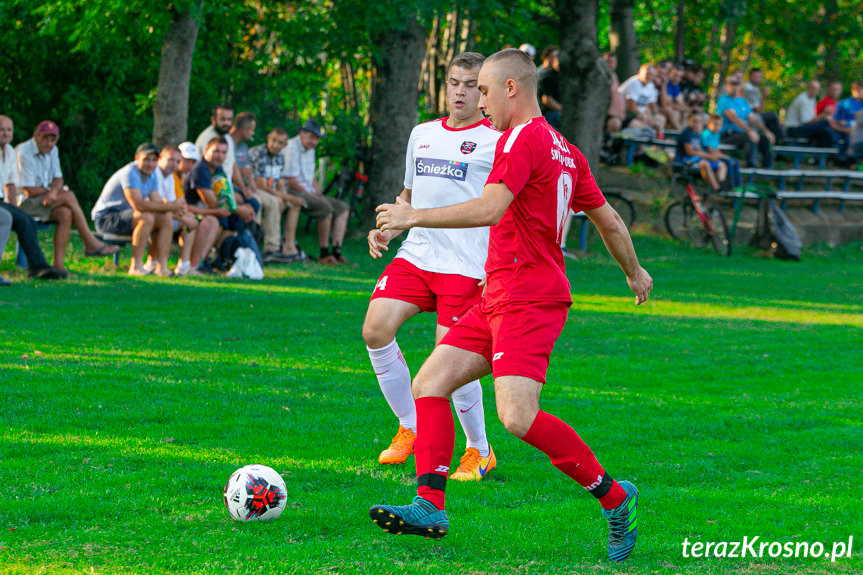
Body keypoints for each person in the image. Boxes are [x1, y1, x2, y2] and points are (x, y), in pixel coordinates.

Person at [369, 48, 652, 563]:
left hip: (530, 297)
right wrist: (634, 270)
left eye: (483, 91)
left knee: (517, 418)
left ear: (511, 89)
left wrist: (416, 218)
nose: (478, 100)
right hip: (496, 292)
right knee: (430, 383)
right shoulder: (567, 149)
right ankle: (429, 503)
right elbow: (608, 220)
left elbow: (492, 206)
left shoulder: (522, 138)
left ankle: (616, 498)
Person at [363, 52, 501, 481]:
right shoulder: (421, 133)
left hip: (466, 264)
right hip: (419, 254)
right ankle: (410, 426)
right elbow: (409, 196)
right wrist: (388, 227)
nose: (460, 91)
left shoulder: (498, 140)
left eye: (471, 84)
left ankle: (479, 449)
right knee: (375, 329)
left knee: (450, 363)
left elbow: (499, 207)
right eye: (454, 82)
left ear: (484, 92)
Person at [16, 120, 118, 277]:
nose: (49, 144)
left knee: (65, 213)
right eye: (45, 138)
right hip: (22, 204)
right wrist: (52, 192)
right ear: (35, 136)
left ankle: (59, 266)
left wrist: (53, 192)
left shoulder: (53, 150)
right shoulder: (24, 152)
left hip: (44, 199)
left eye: (52, 140)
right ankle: (90, 242)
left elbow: (58, 179)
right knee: (69, 196)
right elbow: (29, 190)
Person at [91, 143, 184, 276]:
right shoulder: (130, 172)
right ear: (136, 158)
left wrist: (180, 214)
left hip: (128, 217)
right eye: (146, 159)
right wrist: (172, 206)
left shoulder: (152, 175)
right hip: (106, 218)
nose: (150, 164)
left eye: (153, 160)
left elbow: (157, 203)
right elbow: (138, 205)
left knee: (165, 219)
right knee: (146, 216)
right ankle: (135, 266)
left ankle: (161, 267)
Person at [0, 115, 62, 280]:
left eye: (8, 130)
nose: (5, 133)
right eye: (1, 130)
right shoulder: (22, 151)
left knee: (26, 221)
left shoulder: (10, 151)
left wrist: (15, 210)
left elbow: (10, 184)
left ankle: (38, 267)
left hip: (2, 201)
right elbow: (26, 188)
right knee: (5, 217)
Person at [283, 120, 350, 264]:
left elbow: (311, 177)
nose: (314, 142)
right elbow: (291, 181)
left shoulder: (311, 150)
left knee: (343, 208)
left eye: (316, 138)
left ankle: (336, 252)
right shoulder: (291, 148)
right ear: (302, 134)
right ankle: (324, 253)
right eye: (312, 137)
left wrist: (319, 194)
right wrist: (314, 196)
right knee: (325, 209)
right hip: (292, 191)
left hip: (308, 191)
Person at [249, 128, 306, 263]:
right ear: (268, 138)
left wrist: (285, 198)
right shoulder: (259, 153)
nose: (275, 145)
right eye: (274, 140)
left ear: (285, 145)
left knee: (293, 205)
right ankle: (268, 246)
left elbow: (280, 183)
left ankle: (288, 246)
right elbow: (260, 185)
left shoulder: (280, 157)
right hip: (255, 190)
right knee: (275, 202)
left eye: (280, 143)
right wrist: (285, 198)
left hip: (271, 193)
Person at [183, 137, 236, 274]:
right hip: (188, 212)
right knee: (210, 221)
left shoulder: (217, 168)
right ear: (206, 150)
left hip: (203, 212)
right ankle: (195, 264)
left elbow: (226, 193)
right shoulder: (200, 169)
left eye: (223, 153)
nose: (220, 156)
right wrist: (232, 207)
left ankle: (204, 261)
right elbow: (211, 202)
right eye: (216, 151)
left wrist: (237, 205)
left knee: (234, 220)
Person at [152, 144, 199, 274]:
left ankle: (184, 265)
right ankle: (157, 264)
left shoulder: (171, 177)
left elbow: (174, 204)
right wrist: (183, 217)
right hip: (151, 214)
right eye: (171, 160)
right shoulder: (155, 173)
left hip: (160, 213)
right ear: (161, 158)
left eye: (177, 161)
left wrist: (185, 216)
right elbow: (159, 205)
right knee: (168, 219)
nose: (175, 164)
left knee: (190, 221)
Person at [716, 77, 774, 168]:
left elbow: (753, 118)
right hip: (726, 134)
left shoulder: (742, 101)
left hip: (740, 133)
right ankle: (751, 167)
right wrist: (750, 131)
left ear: (740, 86)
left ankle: (767, 169)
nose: (734, 87)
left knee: (765, 138)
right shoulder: (723, 100)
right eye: (732, 84)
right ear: (727, 86)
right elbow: (734, 118)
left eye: (737, 84)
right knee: (750, 137)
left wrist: (766, 131)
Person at [676, 112, 725, 191]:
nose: (697, 124)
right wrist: (708, 156)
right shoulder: (686, 133)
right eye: (694, 121)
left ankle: (720, 184)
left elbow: (699, 150)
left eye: (699, 122)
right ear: (688, 121)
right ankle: (716, 188)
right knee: (705, 164)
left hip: (696, 160)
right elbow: (690, 152)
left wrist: (711, 157)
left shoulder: (696, 134)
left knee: (721, 165)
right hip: (686, 161)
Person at [785, 81, 836, 148]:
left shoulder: (812, 99)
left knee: (825, 131)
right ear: (808, 88)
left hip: (802, 128)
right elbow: (806, 122)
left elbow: (812, 118)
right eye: (814, 89)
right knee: (825, 123)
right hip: (794, 129)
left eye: (817, 89)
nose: (816, 92)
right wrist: (823, 115)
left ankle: (823, 155)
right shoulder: (803, 100)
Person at [619, 64, 666, 135]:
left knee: (660, 119)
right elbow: (631, 107)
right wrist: (643, 116)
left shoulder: (650, 86)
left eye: (652, 75)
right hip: (626, 115)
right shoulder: (634, 82)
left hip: (640, 115)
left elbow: (648, 106)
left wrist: (650, 117)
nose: (649, 76)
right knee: (641, 126)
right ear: (640, 72)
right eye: (647, 73)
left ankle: (658, 142)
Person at [701, 114, 743, 191]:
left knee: (735, 161)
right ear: (709, 123)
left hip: (715, 157)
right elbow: (711, 151)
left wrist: (724, 156)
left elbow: (716, 149)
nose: (717, 127)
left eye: (719, 125)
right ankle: (729, 183)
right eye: (715, 124)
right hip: (709, 158)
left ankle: (738, 185)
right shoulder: (707, 134)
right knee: (729, 162)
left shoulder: (716, 134)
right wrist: (724, 157)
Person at [742, 68, 782, 139]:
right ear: (750, 77)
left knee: (771, 119)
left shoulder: (755, 88)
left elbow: (761, 109)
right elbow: (757, 110)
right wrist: (764, 96)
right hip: (748, 116)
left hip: (754, 115)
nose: (757, 79)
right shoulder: (748, 88)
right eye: (755, 77)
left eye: (759, 77)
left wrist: (764, 97)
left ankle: (777, 139)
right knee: (772, 116)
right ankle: (782, 138)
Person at [537, 46, 562, 129]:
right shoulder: (546, 75)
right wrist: (563, 110)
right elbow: (546, 99)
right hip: (547, 113)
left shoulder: (559, 76)